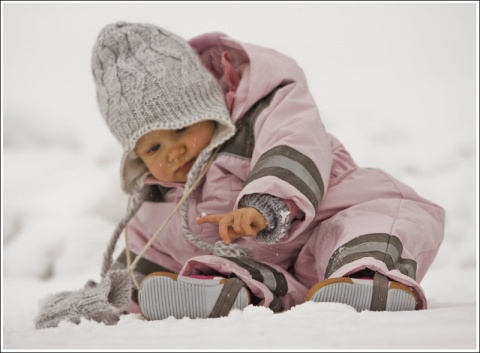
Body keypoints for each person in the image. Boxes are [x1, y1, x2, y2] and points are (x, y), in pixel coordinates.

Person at [37, 21, 446, 327]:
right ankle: (218, 294)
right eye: (154, 147)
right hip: (275, 274)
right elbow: (145, 261)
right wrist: (116, 295)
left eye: (182, 128)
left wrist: (265, 202)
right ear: (137, 158)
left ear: (212, 109)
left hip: (330, 215)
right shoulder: (155, 204)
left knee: (376, 222)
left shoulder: (262, 116)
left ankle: (367, 277)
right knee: (209, 265)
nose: (174, 150)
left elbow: (294, 139)